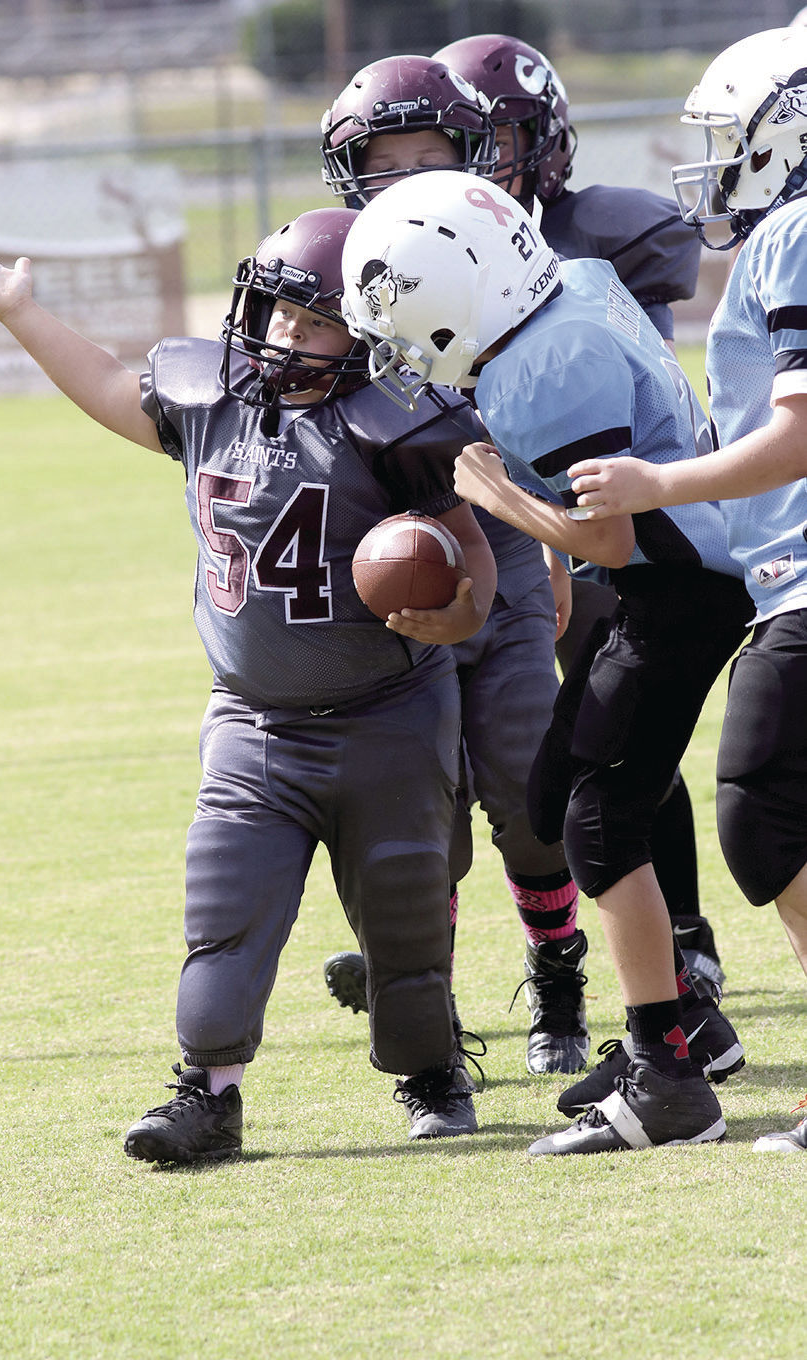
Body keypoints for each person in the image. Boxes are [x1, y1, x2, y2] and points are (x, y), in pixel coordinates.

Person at [0, 208, 499, 1160]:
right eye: (278, 311)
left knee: (405, 915)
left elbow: (473, 557)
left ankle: (429, 1068)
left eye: (315, 320)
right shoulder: (209, 396)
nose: (287, 333)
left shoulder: (397, 422)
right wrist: (20, 314)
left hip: (389, 713)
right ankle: (207, 1095)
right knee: (224, 911)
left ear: (368, 333)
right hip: (254, 718)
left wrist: (459, 614)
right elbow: (116, 388)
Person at [341, 169, 750, 1155]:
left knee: (597, 822)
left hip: (681, 589)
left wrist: (492, 497)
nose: (395, 340)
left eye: (399, 310)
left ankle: (668, 1075)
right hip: (679, 572)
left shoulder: (536, 372)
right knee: (561, 782)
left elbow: (607, 541)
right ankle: (690, 1025)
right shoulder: (570, 285)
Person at [433, 32, 727, 1002]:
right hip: (571, 525)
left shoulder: (595, 247)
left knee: (619, 772)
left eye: (493, 139)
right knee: (574, 774)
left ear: (543, 139)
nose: (476, 162)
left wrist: (511, 496)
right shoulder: (442, 243)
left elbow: (609, 434)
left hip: (637, 534)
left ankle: (680, 958)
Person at [320, 52, 591, 1074]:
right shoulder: (325, 262)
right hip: (391, 553)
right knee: (414, 805)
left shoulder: (501, 249)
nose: (400, 178)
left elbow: (544, 409)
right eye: (377, 162)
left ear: (472, 156)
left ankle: (556, 965)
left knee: (528, 777)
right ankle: (423, 999)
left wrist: (549, 529)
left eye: (423, 155)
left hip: (507, 535)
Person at [566, 25, 807, 1152]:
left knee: (763, 808)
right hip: (780, 578)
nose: (711, 161)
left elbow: (799, 433)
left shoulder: (798, 230)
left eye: (727, 137)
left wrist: (662, 476)